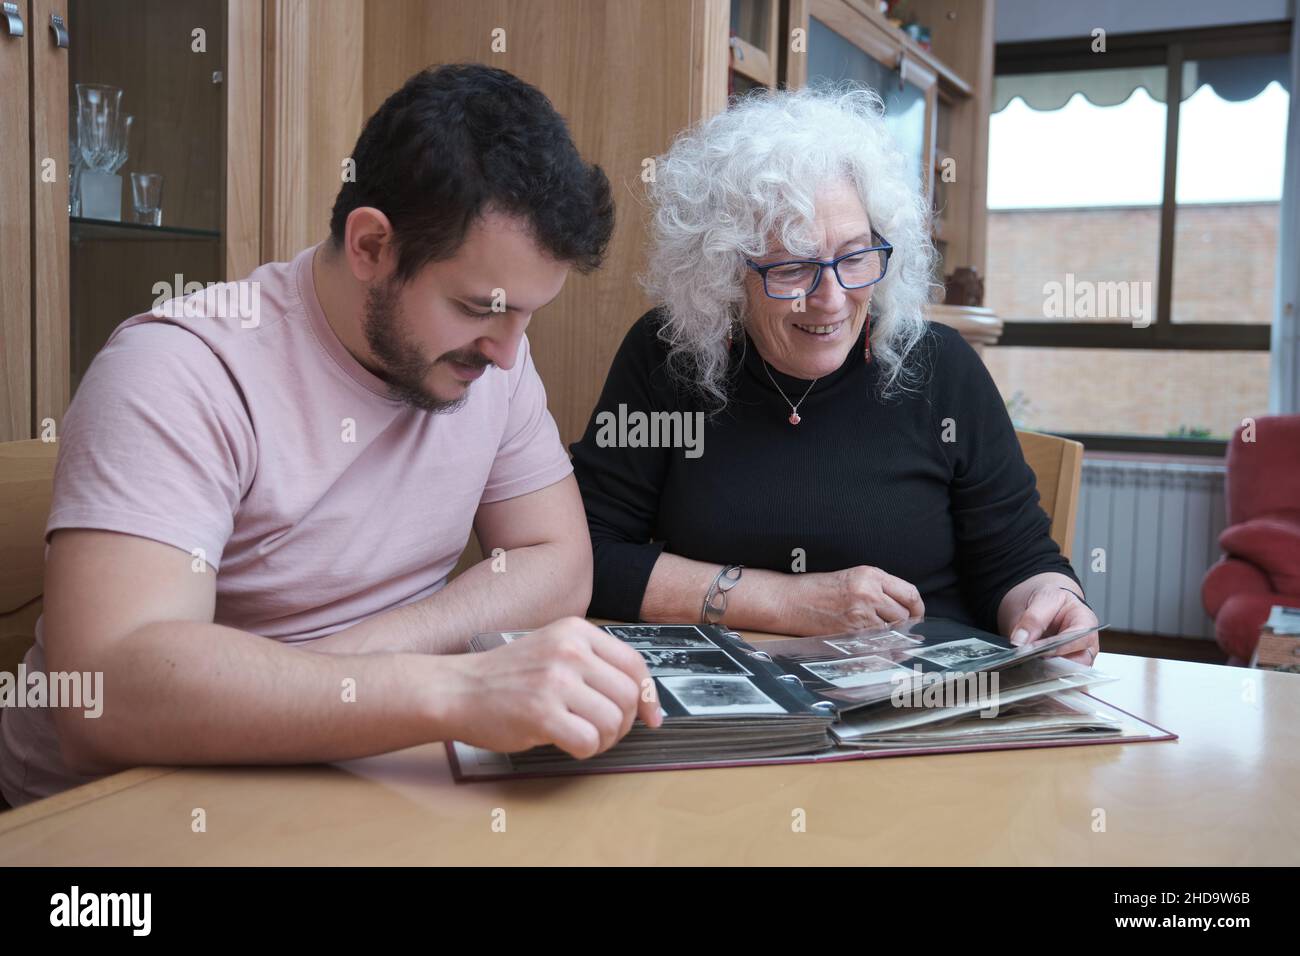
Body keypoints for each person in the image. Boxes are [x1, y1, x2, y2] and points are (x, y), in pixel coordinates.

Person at [0, 64, 660, 809]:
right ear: (372, 245)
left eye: (527, 315)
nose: (508, 351)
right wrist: (452, 686)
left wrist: (343, 671)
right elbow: (107, 695)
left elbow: (559, 562)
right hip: (125, 807)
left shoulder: (491, 360)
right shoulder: (178, 371)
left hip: (355, 767)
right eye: (481, 308)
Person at [571, 87, 1099, 662]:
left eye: (854, 257)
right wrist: (785, 601)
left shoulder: (939, 367)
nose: (832, 299)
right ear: (725, 271)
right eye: (793, 267)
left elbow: (1017, 560)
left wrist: (1053, 599)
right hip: (737, 704)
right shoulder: (670, 357)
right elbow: (585, 556)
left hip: (918, 706)